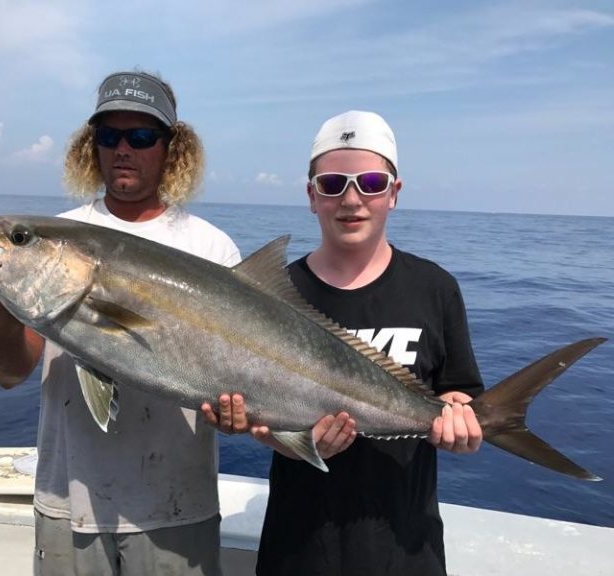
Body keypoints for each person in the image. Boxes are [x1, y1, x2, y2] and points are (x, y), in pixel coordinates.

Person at [0, 70, 240, 576]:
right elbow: (9, 373)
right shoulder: (55, 240)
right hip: (67, 501)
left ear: (170, 149)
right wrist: (0, 306)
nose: (124, 149)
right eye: (109, 136)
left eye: (142, 137)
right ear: (90, 146)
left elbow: (239, 382)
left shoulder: (211, 248)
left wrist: (243, 419)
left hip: (178, 507)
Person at [208, 110, 485, 575]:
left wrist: (463, 426)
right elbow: (263, 420)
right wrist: (286, 440)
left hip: (408, 552)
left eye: (372, 182)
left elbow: (459, 392)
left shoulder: (435, 288)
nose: (352, 199)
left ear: (394, 194)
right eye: (333, 183)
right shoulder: (270, 295)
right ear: (311, 195)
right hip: (297, 554)